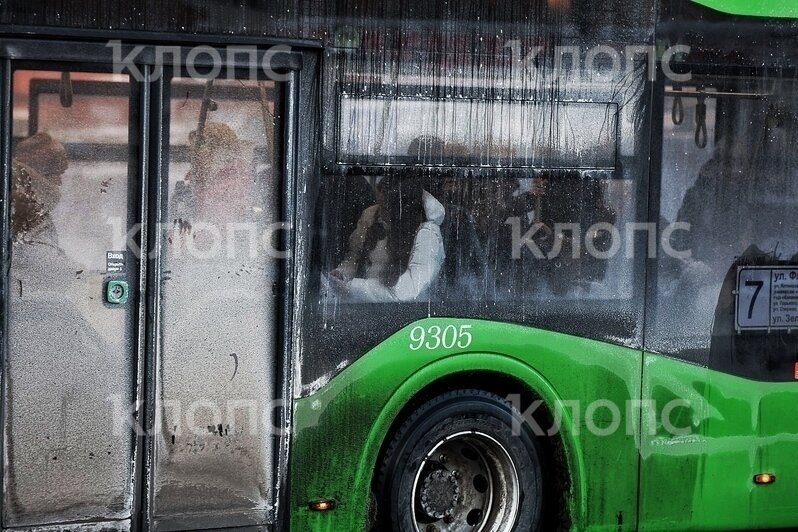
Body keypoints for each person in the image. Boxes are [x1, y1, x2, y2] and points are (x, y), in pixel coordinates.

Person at [328, 176, 446, 303]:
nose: (380, 212)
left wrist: (354, 288)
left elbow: (409, 290)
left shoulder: (428, 235)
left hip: (409, 311)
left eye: (387, 207)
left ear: (403, 209)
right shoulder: (372, 216)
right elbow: (356, 255)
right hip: (367, 303)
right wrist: (343, 274)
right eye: (379, 204)